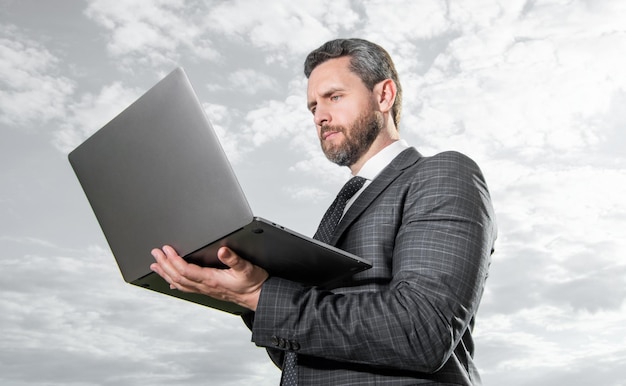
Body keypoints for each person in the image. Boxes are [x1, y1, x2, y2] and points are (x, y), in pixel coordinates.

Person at [150, 38, 497, 385]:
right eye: (313, 106)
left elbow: (422, 331)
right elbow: (302, 356)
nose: (320, 116)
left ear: (384, 95)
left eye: (334, 97)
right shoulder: (341, 209)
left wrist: (258, 294)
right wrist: (243, 291)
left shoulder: (443, 174)